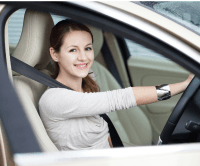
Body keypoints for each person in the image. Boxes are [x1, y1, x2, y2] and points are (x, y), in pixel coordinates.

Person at [38, 19, 194, 151]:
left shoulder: (88, 80)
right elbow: (120, 98)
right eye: (73, 50)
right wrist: (183, 85)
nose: (83, 57)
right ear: (54, 54)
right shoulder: (54, 99)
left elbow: (106, 138)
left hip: (111, 163)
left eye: (88, 48)